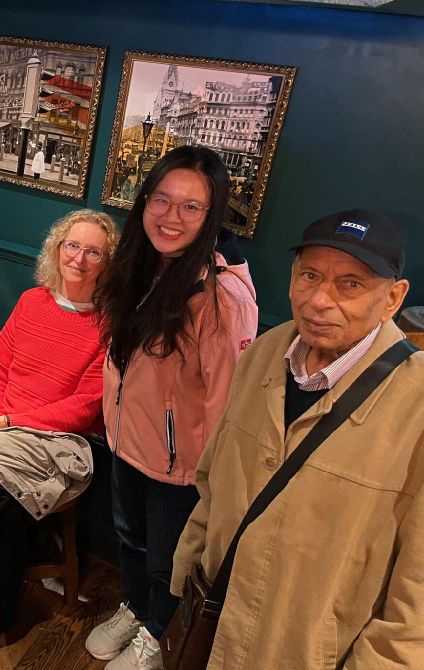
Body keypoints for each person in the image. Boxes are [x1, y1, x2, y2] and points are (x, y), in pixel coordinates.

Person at [172, 209, 422, 668]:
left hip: (304, 653)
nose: (319, 300)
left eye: (350, 284)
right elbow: (214, 479)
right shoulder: (265, 352)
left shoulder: (417, 404)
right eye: (310, 275)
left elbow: (416, 600)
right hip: (215, 621)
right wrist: (188, 568)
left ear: (393, 298)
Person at [85, 146, 258, 670]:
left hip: (181, 470)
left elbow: (228, 404)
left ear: (212, 216)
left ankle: (157, 636)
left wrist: (211, 482)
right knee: (130, 541)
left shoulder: (223, 298)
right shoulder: (138, 267)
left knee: (169, 563)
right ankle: (136, 608)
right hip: (126, 443)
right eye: (161, 199)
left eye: (190, 206)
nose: (171, 216)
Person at [0, 209, 118, 643]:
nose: (79, 259)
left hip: (62, 441)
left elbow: (83, 408)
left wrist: (7, 423)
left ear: (108, 263)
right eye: (72, 246)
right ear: (57, 249)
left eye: (94, 252)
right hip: (0, 427)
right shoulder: (33, 301)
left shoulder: (111, 325)